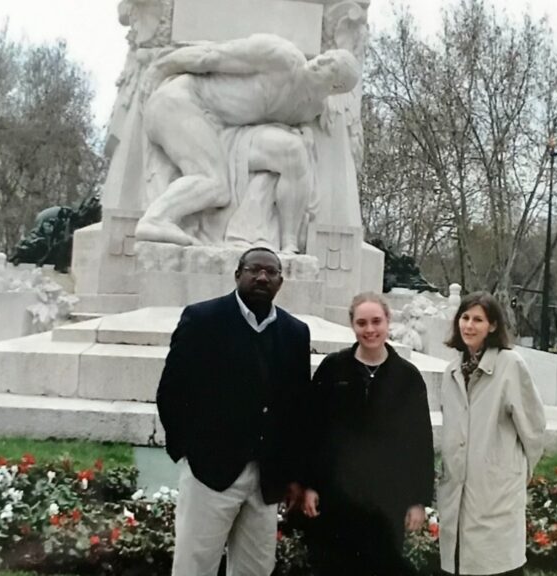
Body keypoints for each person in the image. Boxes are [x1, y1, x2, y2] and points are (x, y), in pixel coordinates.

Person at [156, 247, 312, 576]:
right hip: (210, 473)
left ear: (281, 282)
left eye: (271, 272)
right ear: (237, 274)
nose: (262, 277)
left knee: (256, 569)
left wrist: (293, 472)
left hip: (265, 478)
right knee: (194, 566)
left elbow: (298, 410)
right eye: (254, 269)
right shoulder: (202, 320)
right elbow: (171, 390)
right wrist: (188, 450)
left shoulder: (295, 333)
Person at [136, 34, 360, 250]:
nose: (321, 59)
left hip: (224, 131)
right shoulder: (282, 57)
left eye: (331, 66)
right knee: (213, 181)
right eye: (327, 55)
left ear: (335, 88)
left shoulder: (309, 109)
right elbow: (211, 56)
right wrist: (159, 67)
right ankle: (155, 219)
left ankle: (288, 243)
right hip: (182, 103)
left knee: (293, 153)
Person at [301, 293, 434, 576]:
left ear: (388, 322)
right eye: (362, 322)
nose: (370, 329)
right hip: (336, 499)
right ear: (352, 325)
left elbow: (420, 442)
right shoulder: (333, 368)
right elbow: (311, 430)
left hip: (386, 501)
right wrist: (309, 485)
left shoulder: (407, 377)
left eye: (376, 321)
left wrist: (418, 500)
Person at [438, 292, 546, 576]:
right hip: (458, 498)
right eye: (464, 318)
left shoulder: (510, 365)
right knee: (460, 563)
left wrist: (512, 474)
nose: (469, 326)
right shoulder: (451, 372)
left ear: (493, 326)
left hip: (496, 497)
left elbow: (533, 430)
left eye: (478, 320)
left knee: (495, 566)